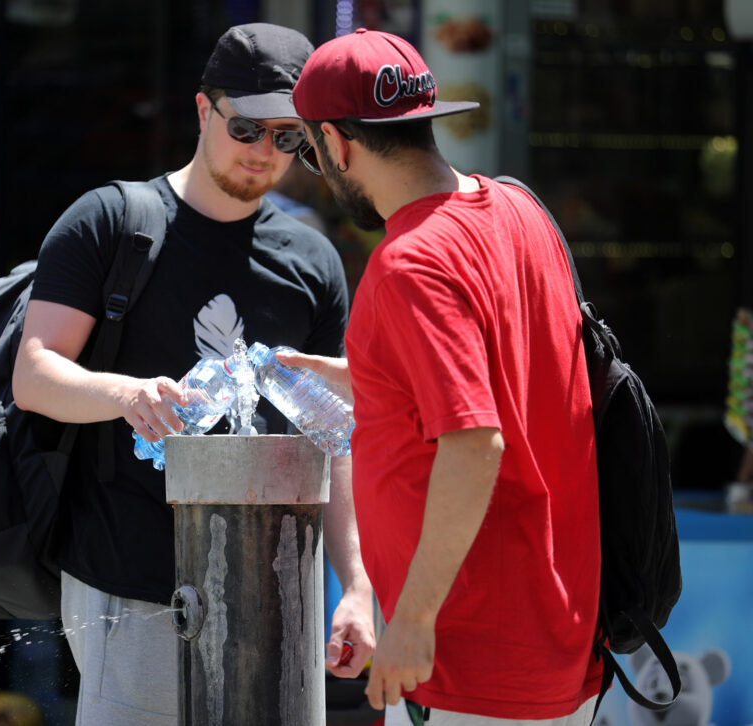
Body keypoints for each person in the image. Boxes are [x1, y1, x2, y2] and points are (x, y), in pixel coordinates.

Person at [11, 22, 375, 726]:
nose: (265, 153)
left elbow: (334, 435)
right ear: (204, 110)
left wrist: (356, 584)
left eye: (289, 137)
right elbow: (35, 374)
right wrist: (127, 395)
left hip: (281, 591)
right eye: (246, 129)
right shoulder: (113, 222)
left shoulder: (313, 260)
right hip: (135, 583)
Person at [279, 28, 604, 725]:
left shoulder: (409, 263)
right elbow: (510, 381)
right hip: (552, 641)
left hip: (470, 659)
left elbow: (474, 441)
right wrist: (367, 376)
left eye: (310, 149)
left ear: (336, 143)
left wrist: (415, 620)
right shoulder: (520, 210)